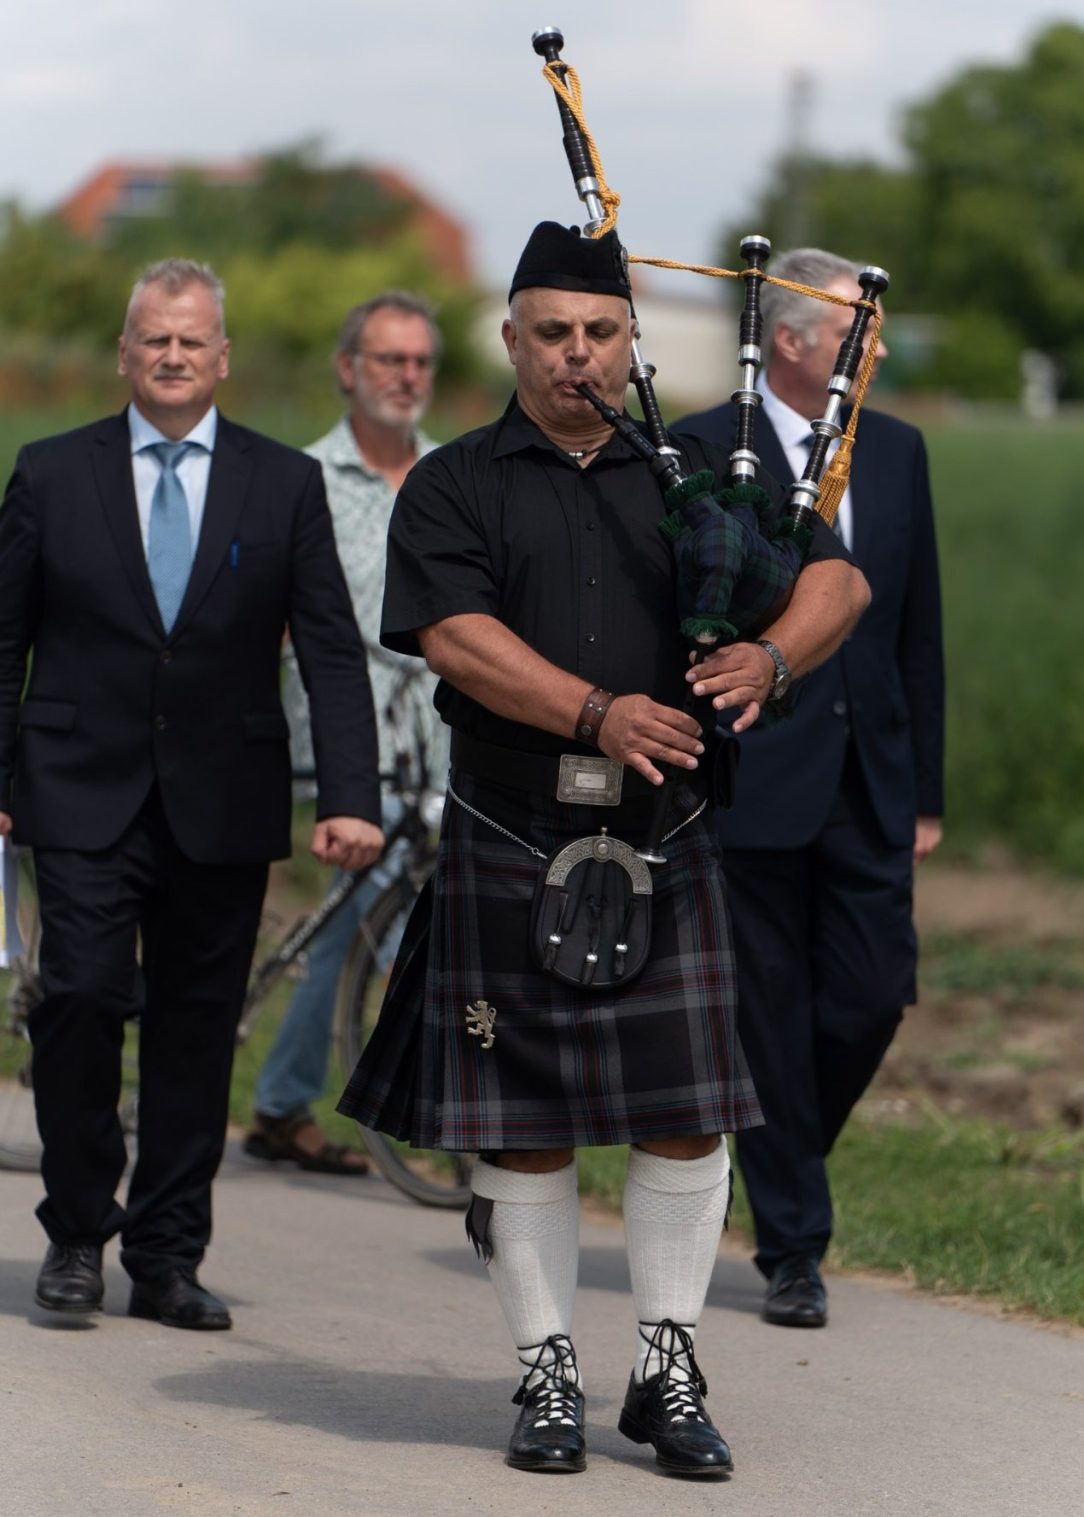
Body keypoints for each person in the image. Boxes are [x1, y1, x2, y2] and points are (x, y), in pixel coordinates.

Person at [339, 222, 870, 1477]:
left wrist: (772, 653)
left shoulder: (691, 477)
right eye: (551, 334)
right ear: (510, 340)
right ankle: (547, 1371)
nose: (577, 355)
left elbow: (836, 582)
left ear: (631, 342)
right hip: (509, 824)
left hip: (665, 831)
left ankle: (666, 1364)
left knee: (687, 1115)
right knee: (523, 1124)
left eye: (600, 333)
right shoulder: (457, 481)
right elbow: (453, 635)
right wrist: (595, 711)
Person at [0, 258, 383, 1330]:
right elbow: (2, 641)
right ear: (126, 354)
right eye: (152, 339)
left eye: (191, 340)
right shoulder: (49, 472)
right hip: (76, 788)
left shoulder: (280, 483)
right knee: (76, 995)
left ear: (222, 357)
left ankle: (166, 1255)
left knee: (195, 1029)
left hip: (224, 794)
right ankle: (78, 1228)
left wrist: (348, 794)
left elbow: (330, 652)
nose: (172, 356)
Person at [676, 247, 945, 1329]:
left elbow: (917, 626)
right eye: (855, 331)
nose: (873, 346)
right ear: (788, 341)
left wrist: (927, 784)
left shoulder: (896, 447)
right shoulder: (703, 446)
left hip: (870, 777)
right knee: (769, 1014)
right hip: (754, 771)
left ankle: (774, 1156)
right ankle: (795, 1247)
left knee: (871, 993)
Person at [244, 292, 445, 1176]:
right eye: (387, 359)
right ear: (347, 369)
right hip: (343, 739)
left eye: (419, 362)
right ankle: (401, 1110)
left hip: (439, 740)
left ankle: (283, 1102)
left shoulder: (451, 476)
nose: (406, 377)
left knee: (357, 926)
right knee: (380, 920)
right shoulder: (304, 479)